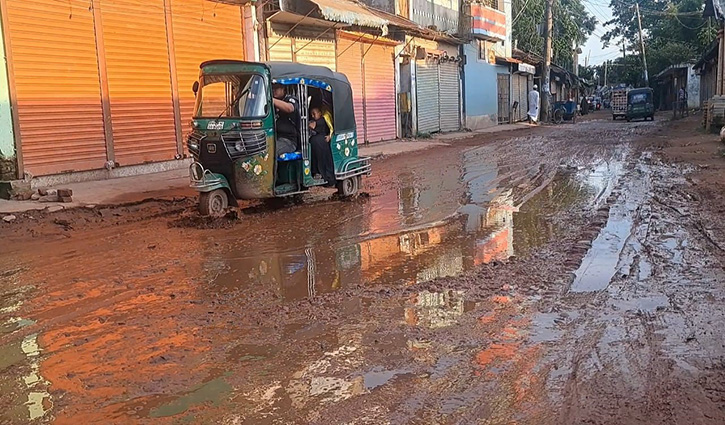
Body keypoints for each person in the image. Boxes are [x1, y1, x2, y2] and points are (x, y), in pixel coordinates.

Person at [309, 106, 336, 186]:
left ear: (320, 113)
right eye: (311, 114)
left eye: (314, 114)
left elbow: (312, 125)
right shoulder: (320, 119)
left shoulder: (323, 119)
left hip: (321, 144)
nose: (313, 116)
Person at [272, 84, 299, 156]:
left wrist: (272, 100)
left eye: (276, 88)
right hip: (273, 138)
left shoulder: (290, 99)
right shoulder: (270, 105)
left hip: (288, 141)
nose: (274, 90)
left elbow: (289, 108)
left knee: (271, 152)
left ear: (283, 88)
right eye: (272, 88)